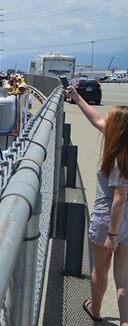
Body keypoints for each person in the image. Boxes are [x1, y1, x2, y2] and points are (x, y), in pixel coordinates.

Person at [65, 86, 128, 325]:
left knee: (101, 271)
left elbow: (118, 199)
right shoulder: (119, 140)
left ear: (116, 128)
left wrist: (111, 234)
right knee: (123, 279)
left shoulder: (119, 157)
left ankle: (96, 310)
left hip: (108, 221)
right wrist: (76, 97)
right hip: (127, 222)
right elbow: (96, 119)